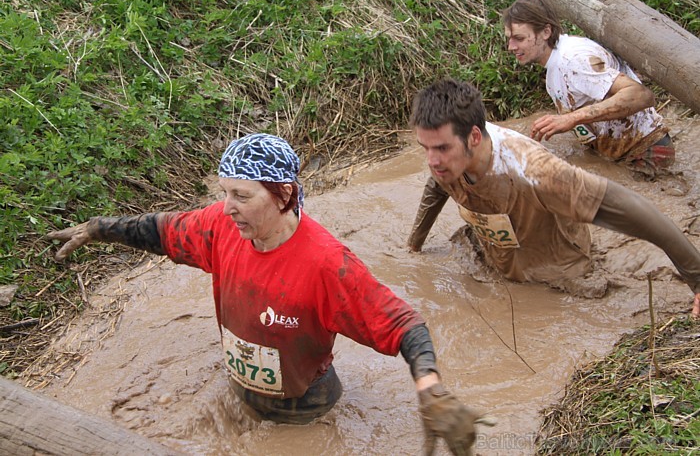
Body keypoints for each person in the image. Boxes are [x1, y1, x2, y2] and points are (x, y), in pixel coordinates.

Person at [48, 133, 494, 454]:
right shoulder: (221, 227)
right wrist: (96, 229)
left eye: (241, 195)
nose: (227, 208)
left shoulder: (327, 264)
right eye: (224, 194)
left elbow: (402, 323)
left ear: (282, 194)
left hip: (305, 415)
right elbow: (160, 230)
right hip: (239, 393)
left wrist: (430, 388)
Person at [406, 78, 700, 317]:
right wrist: (414, 245)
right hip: (500, 256)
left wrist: (697, 280)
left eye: (441, 149)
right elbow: (437, 185)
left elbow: (638, 212)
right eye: (425, 148)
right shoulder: (446, 158)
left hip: (558, 276)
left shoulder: (536, 172)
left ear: (473, 137)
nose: (432, 160)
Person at [502, 0, 674, 175]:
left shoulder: (574, 60)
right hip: (619, 152)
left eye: (519, 38)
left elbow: (641, 96)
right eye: (509, 39)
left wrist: (571, 118)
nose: (510, 47)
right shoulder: (555, 68)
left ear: (546, 32)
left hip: (647, 151)